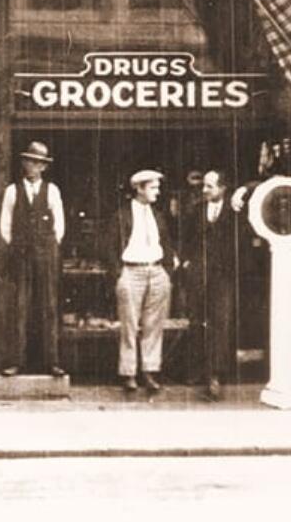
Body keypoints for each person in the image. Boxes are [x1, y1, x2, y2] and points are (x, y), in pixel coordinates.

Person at [105, 169, 179, 393]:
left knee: (153, 325)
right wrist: (119, 274)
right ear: (139, 188)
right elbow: (109, 247)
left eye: (158, 187)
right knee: (129, 324)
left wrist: (166, 271)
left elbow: (166, 242)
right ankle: (128, 373)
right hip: (131, 271)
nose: (158, 192)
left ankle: (149, 371)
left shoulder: (158, 214)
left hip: (156, 271)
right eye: (153, 187)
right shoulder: (121, 215)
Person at [0, 140, 66, 378]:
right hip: (20, 254)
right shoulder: (12, 191)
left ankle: (52, 361)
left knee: (48, 305)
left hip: (46, 254)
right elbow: (4, 226)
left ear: (44, 167)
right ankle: (16, 361)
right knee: (19, 306)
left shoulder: (52, 190)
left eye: (37, 162)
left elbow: (60, 226)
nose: (32, 166)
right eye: (29, 161)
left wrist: (47, 246)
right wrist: (19, 245)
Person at [181, 168, 246, 400]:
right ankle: (197, 371)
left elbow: (266, 184)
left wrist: (245, 189)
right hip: (198, 274)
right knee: (197, 321)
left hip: (224, 275)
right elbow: (186, 239)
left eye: (209, 186)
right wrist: (187, 262)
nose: (204, 190)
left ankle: (215, 375)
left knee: (221, 322)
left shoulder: (235, 209)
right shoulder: (196, 210)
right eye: (204, 186)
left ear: (223, 188)